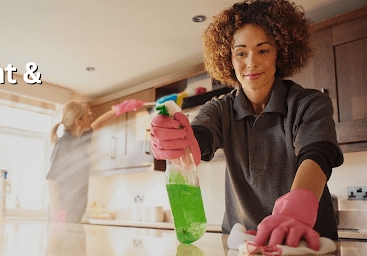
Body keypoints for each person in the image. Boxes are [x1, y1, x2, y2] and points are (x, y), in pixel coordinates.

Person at [150, 0, 344, 251]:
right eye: (241, 52)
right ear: (228, 58)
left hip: (305, 241)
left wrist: (298, 205)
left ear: (280, 52)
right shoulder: (219, 109)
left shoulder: (310, 103)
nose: (250, 62)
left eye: (263, 50)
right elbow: (200, 136)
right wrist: (179, 141)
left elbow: (317, 155)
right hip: (242, 243)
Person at [46, 99, 144, 223]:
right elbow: (53, 183)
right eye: (88, 116)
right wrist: (58, 222)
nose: (91, 118)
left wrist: (120, 108)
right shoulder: (64, 146)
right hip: (61, 219)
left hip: (74, 216)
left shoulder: (78, 141)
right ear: (78, 122)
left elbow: (98, 124)